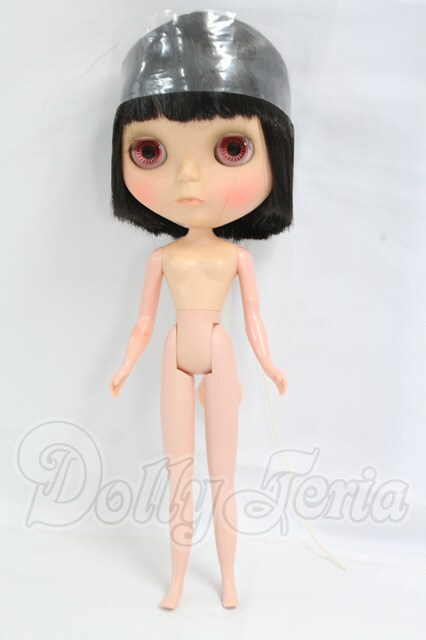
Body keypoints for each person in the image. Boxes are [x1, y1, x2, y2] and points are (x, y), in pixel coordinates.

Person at [109, 10, 294, 609]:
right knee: (179, 475)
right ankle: (178, 578)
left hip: (217, 350)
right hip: (173, 354)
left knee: (222, 476)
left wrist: (267, 364)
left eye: (231, 148)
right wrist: (124, 365)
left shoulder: (234, 257)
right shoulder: (162, 257)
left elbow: (253, 317)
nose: (190, 178)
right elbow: (143, 321)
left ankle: (229, 577)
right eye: (150, 151)